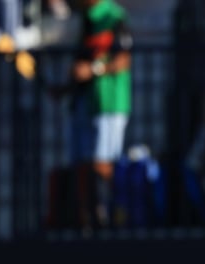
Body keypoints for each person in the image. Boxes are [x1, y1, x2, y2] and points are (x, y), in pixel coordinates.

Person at [70, 0, 132, 229]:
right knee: (83, 168)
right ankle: (89, 223)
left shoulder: (115, 16)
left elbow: (124, 59)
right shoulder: (85, 19)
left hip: (110, 103)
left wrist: (94, 70)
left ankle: (114, 220)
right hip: (86, 104)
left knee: (103, 166)